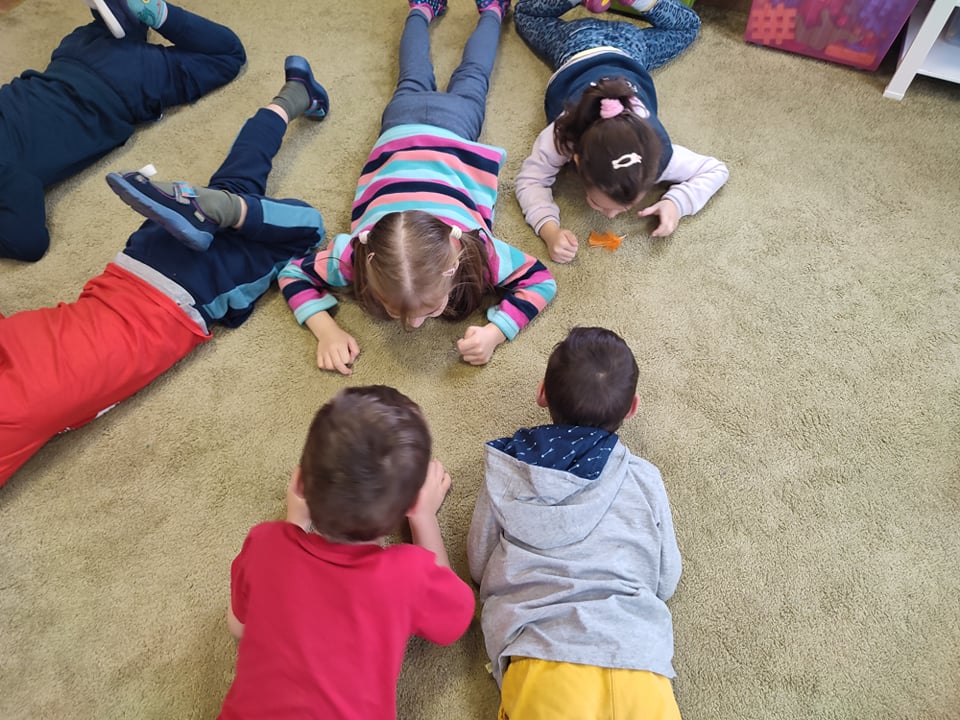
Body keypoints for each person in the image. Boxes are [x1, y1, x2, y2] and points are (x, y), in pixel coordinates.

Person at [0, 56, 331, 487]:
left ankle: (222, 210)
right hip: (136, 261)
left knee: (308, 230)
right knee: (237, 183)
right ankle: (292, 97)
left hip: (185, 294)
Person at [275, 0, 557, 375]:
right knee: (458, 74)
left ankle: (434, 10)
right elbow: (291, 273)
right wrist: (326, 331)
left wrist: (496, 332)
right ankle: (484, 9)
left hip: (435, 126)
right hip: (410, 126)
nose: (415, 324)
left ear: (455, 264)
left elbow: (542, 281)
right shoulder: (353, 254)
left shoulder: (478, 250)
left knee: (452, 75)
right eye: (395, 311)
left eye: (431, 309)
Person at [218, 385, 475, 720]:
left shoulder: (265, 543)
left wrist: (294, 524)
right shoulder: (408, 575)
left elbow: (239, 626)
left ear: (299, 484)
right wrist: (424, 518)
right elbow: (455, 620)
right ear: (411, 503)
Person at [468, 326, 684, 719]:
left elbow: (479, 566)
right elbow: (666, 580)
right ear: (632, 408)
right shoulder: (643, 477)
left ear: (542, 393)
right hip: (637, 657)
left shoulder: (507, 471)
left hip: (540, 655)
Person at [0, 0, 246, 262]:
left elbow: (30, 243)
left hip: (116, 89)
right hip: (76, 52)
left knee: (228, 55)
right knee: (123, 27)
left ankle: (157, 13)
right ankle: (122, 9)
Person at [513, 0, 729, 263]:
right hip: (583, 45)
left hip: (623, 47)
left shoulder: (658, 153)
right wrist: (548, 230)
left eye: (625, 206)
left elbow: (716, 170)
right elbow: (529, 180)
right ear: (576, 158)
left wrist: (677, 204)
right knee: (523, 13)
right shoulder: (562, 135)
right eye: (602, 204)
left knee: (689, 27)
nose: (611, 216)